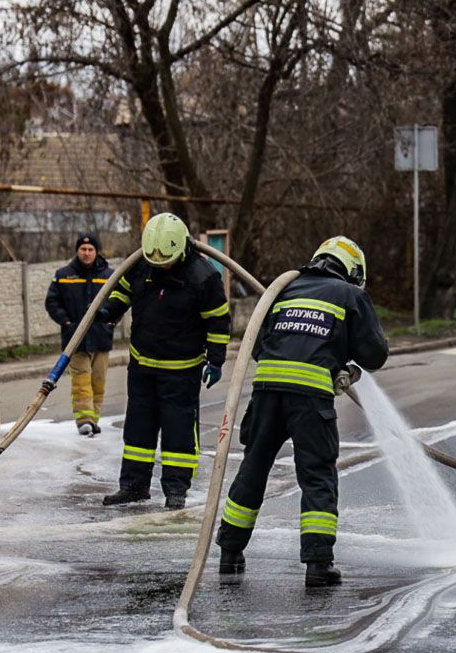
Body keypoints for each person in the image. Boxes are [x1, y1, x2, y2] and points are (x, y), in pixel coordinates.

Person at [216, 236, 388, 587]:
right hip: (309, 399)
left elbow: (258, 344)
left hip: (266, 392)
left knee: (253, 468)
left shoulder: (286, 288)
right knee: (317, 475)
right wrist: (337, 362)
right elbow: (374, 354)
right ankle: (317, 564)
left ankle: (229, 554)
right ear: (353, 271)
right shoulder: (351, 296)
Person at [99, 213, 230, 510]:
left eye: (166, 262)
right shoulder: (141, 265)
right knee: (137, 430)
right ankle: (133, 486)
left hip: (181, 371)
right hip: (142, 366)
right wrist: (109, 311)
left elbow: (218, 322)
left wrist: (216, 360)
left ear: (182, 249)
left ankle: (175, 490)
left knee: (178, 432)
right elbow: (121, 291)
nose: (160, 267)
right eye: (156, 263)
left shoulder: (204, 276)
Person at [45, 233, 115, 436]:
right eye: (83, 249)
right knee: (81, 381)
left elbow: (118, 301)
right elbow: (52, 301)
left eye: (90, 249)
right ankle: (84, 420)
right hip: (75, 341)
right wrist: (66, 322)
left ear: (96, 251)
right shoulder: (64, 275)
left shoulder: (109, 275)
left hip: (101, 338)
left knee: (98, 382)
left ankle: (94, 419)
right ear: (77, 251)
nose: (86, 253)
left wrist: (110, 322)